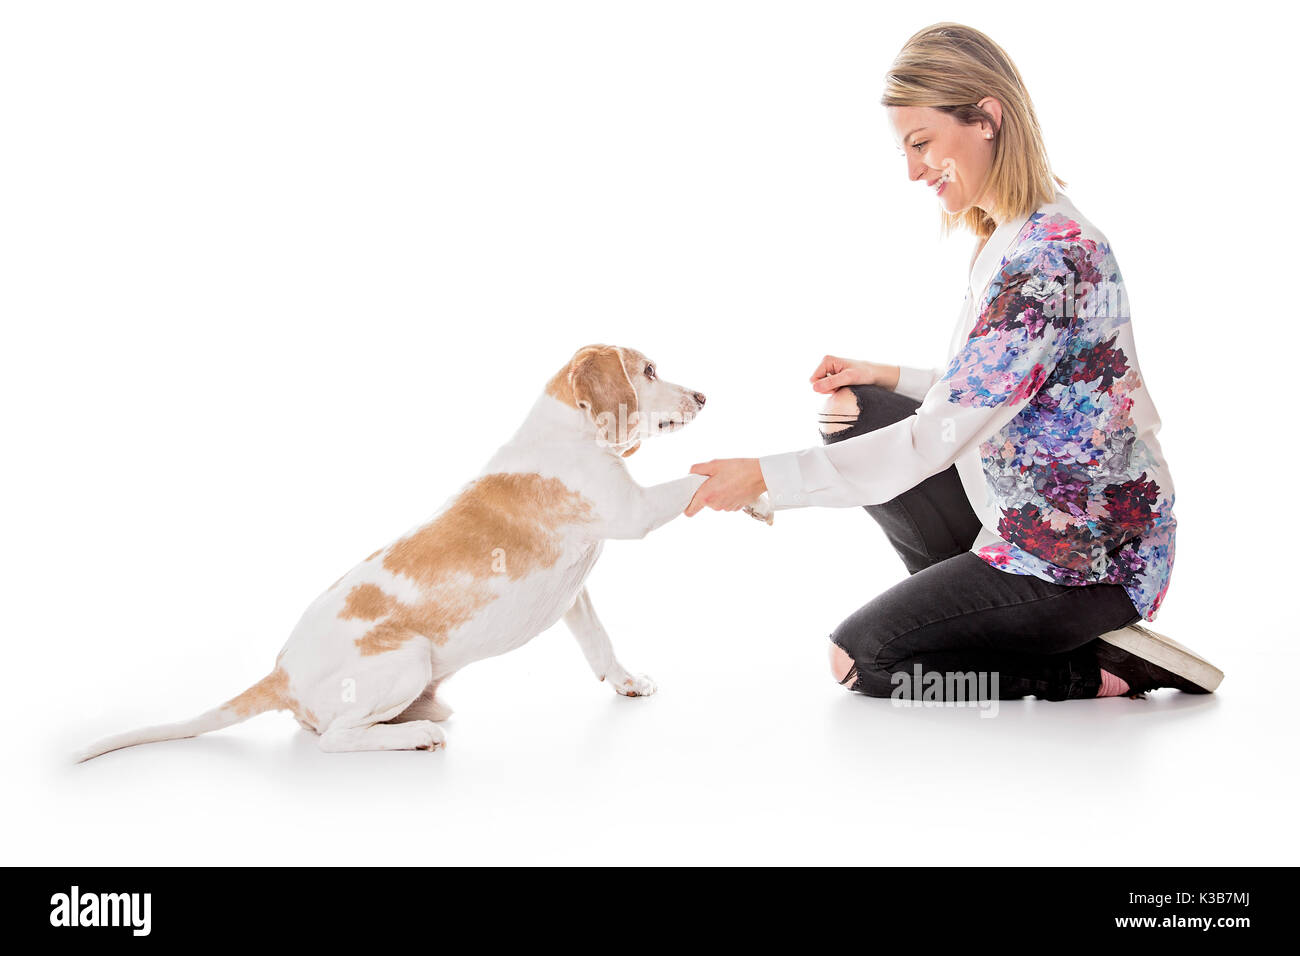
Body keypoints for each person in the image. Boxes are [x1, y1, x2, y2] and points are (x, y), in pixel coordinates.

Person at [684, 21, 1223, 701]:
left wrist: (764, 476)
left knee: (863, 659)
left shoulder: (1047, 257)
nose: (913, 170)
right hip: (1031, 518)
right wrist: (886, 376)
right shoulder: (1015, 231)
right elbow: (1010, 390)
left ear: (987, 118)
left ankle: (1088, 668)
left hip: (1084, 563)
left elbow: (936, 434)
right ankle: (975, 611)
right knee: (856, 410)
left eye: (922, 143)